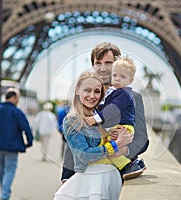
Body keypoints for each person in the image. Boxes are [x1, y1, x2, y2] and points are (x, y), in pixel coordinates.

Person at [61, 42, 149, 182]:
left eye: (108, 63)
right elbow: (75, 135)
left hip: (117, 172)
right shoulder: (89, 96)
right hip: (86, 171)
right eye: (98, 63)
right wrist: (67, 174)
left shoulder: (132, 97)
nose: (102, 68)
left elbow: (142, 140)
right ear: (93, 65)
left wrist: (124, 148)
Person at [54, 71, 133, 200]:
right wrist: (116, 144)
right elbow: (85, 155)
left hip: (111, 178)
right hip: (92, 179)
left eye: (97, 91)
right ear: (77, 90)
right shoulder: (73, 120)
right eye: (87, 90)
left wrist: (114, 136)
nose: (92, 96)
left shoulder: (101, 116)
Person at [85, 55, 142, 179]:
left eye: (122, 77)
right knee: (110, 150)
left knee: (110, 149)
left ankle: (130, 165)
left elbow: (112, 110)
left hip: (123, 127)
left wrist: (96, 118)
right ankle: (129, 165)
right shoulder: (115, 92)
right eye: (115, 75)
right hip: (119, 126)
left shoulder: (124, 94)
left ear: (130, 80)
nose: (117, 79)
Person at [0, 87, 34, 200]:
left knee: (2, 172)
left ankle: (4, 193)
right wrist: (29, 142)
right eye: (18, 98)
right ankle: (4, 196)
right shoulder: (17, 112)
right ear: (14, 97)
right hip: (12, 147)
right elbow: (26, 128)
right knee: (10, 171)